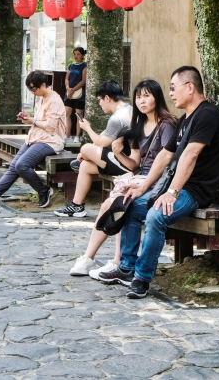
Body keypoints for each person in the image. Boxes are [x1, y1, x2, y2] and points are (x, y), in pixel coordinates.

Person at [96, 67, 219, 299]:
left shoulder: (207, 114)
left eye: (173, 88)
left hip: (194, 190)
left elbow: (191, 155)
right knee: (129, 205)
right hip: (173, 186)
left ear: (190, 87)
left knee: (156, 216)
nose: (171, 94)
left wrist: (172, 192)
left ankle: (142, 278)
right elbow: (166, 156)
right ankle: (126, 268)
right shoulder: (185, 119)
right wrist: (142, 187)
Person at [68, 79, 176, 277]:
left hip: (159, 180)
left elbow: (166, 160)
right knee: (110, 204)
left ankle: (115, 262)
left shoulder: (167, 124)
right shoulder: (138, 124)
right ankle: (91, 259)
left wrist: (144, 183)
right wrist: (118, 153)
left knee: (118, 204)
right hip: (141, 176)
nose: (141, 101)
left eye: (147, 96)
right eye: (138, 97)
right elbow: (134, 164)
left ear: (157, 98)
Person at [0, 71, 66, 208]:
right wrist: (28, 118)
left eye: (33, 89)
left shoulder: (54, 101)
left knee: (21, 165)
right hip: (35, 137)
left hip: (50, 141)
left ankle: (43, 190)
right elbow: (41, 120)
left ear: (43, 85)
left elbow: (50, 126)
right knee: (14, 165)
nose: (32, 92)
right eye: (30, 89)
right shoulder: (43, 97)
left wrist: (32, 121)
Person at [55, 80, 132, 218]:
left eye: (99, 100)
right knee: (85, 165)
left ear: (107, 98)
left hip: (128, 163)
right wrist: (87, 155)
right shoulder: (127, 109)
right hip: (125, 159)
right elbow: (105, 134)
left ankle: (80, 161)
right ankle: (76, 205)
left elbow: (101, 142)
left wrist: (87, 128)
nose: (99, 104)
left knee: (85, 147)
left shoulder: (118, 117)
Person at [64, 47, 87, 143]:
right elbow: (67, 78)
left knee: (79, 115)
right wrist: (68, 88)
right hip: (69, 93)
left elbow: (83, 80)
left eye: (78, 54)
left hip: (79, 93)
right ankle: (67, 135)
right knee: (67, 114)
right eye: (74, 54)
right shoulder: (70, 66)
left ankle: (77, 136)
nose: (76, 56)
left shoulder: (84, 66)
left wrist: (73, 89)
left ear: (82, 56)